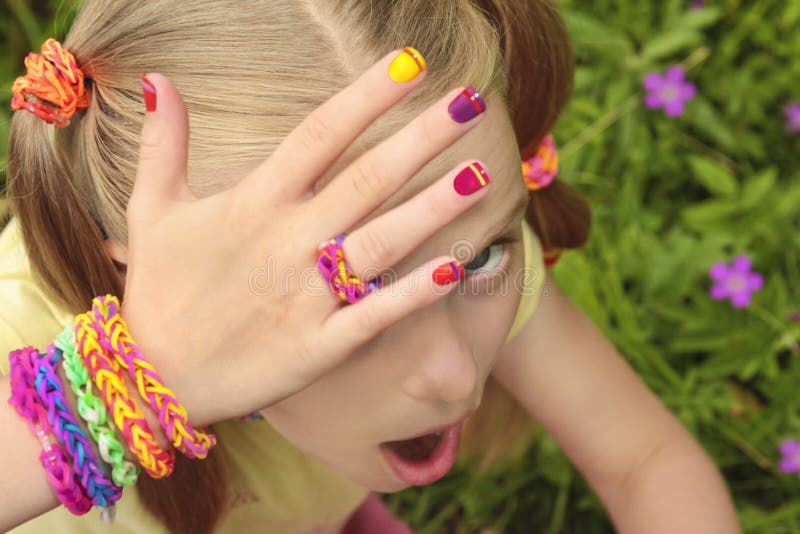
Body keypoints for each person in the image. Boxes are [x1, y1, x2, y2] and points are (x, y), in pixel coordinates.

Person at [0, 0, 741, 532]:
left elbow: (646, 460)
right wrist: (137, 383)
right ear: (147, 286)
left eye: (485, 249)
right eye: (350, 297)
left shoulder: (445, 258)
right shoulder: (16, 348)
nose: (456, 376)